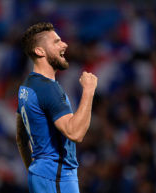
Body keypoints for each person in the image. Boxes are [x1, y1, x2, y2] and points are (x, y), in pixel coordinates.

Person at [16, 22, 97, 193]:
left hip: (41, 177)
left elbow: (21, 139)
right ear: (40, 51)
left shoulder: (26, 86)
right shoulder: (48, 89)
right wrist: (89, 90)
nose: (64, 44)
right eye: (56, 42)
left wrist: (37, 172)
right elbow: (75, 132)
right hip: (58, 177)